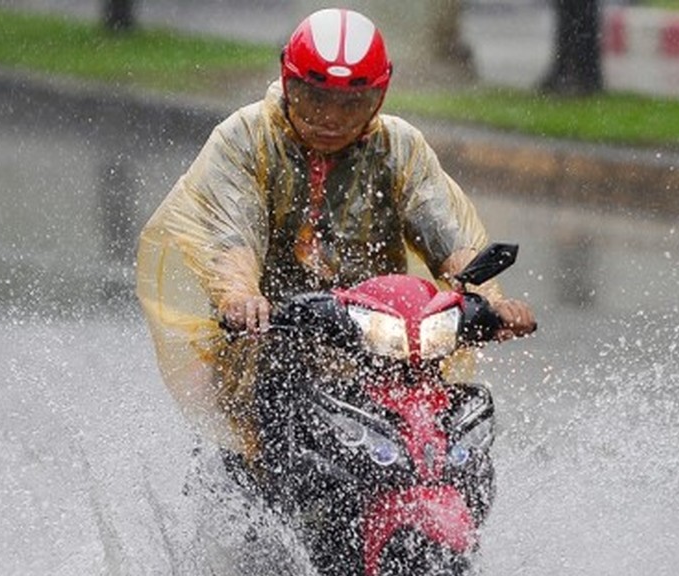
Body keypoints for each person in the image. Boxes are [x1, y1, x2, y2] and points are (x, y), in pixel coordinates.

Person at [136, 7, 536, 457]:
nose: (331, 118)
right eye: (315, 98)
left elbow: (447, 234)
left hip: (380, 334)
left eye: (352, 104)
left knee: (441, 413)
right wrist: (241, 297)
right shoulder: (246, 137)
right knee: (276, 379)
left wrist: (496, 305)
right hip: (273, 335)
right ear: (289, 85)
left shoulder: (398, 147)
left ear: (378, 98)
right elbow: (232, 235)